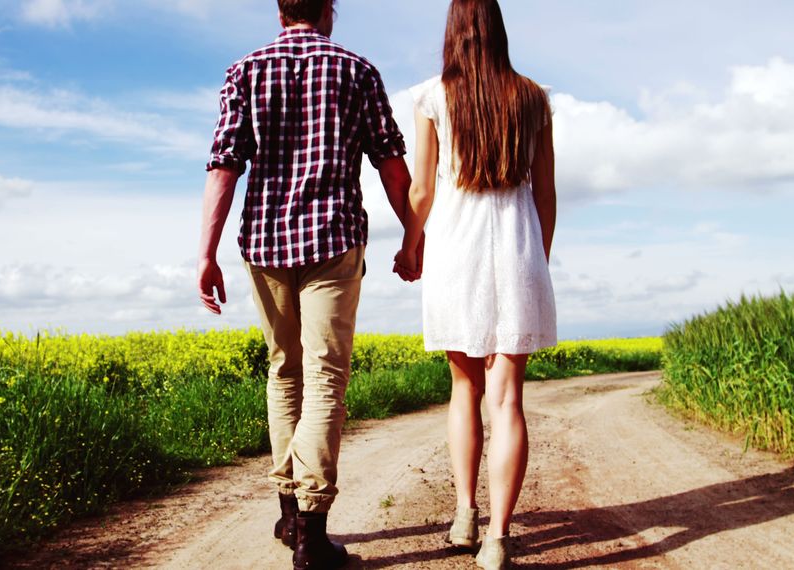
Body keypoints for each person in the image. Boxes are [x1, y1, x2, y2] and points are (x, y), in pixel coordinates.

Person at [197, 1, 420, 568]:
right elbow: (391, 163)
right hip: (332, 240)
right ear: (328, 9)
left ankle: (289, 514)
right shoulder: (357, 70)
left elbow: (225, 164)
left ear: (280, 12)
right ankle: (312, 535)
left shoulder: (244, 70)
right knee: (325, 377)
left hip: (265, 243)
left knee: (283, 371)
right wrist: (414, 234)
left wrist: (206, 251)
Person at [393, 0, 558, 568]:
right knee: (508, 399)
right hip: (517, 247)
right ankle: (499, 538)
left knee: (464, 389)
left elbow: (422, 191)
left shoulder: (432, 96)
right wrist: (539, 259)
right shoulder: (534, 98)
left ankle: (465, 515)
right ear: (499, 30)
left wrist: (410, 243)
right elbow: (546, 194)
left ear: (454, 32)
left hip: (454, 248)